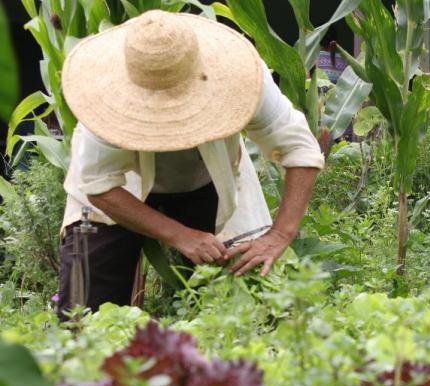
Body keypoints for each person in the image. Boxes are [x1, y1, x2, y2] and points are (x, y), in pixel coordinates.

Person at [56, 10, 324, 315]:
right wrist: (179, 235)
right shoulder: (101, 96)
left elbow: (300, 149)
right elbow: (100, 187)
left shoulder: (243, 75)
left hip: (206, 176)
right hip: (118, 192)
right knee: (83, 311)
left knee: (241, 299)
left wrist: (279, 235)